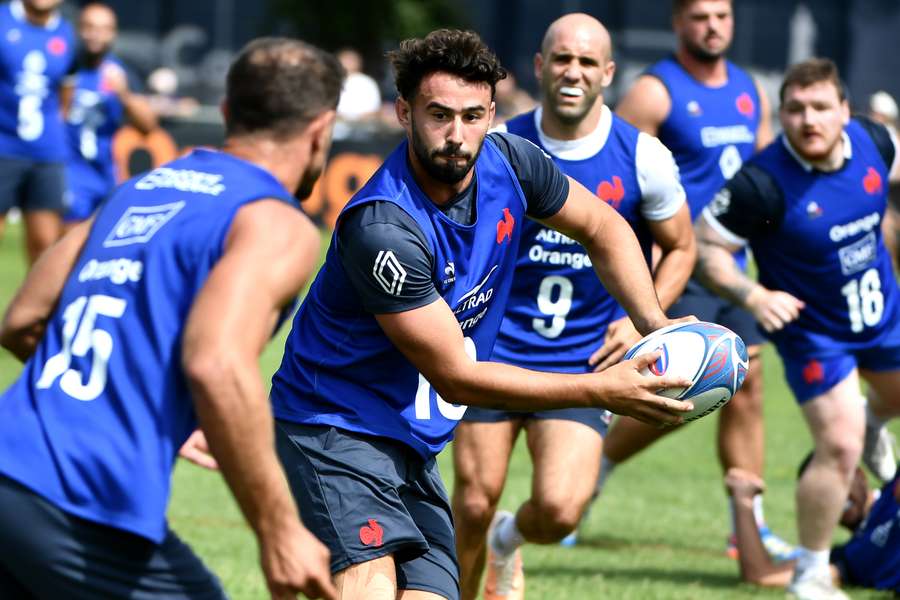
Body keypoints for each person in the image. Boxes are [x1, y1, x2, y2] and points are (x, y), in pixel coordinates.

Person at [268, 29, 695, 600]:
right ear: (403, 112)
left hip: (408, 441)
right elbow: (456, 375)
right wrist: (601, 390)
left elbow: (604, 226)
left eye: (472, 116)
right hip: (333, 428)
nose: (456, 135)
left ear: (493, 113)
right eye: (438, 115)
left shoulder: (512, 162)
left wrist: (653, 322)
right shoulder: (384, 228)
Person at [0, 37, 342, 599]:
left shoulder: (136, 191)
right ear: (321, 129)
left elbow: (23, 318)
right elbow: (215, 363)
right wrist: (280, 529)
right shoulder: (276, 223)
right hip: (81, 498)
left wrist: (145, 396)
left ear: (228, 113)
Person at [451, 14, 695, 600]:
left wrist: (640, 316)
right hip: (495, 352)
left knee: (561, 511)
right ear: (539, 66)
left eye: (587, 62)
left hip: (586, 359)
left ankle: (511, 541)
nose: (572, 72)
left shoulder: (642, 157)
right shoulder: (496, 143)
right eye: (561, 58)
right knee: (475, 499)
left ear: (608, 74)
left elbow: (681, 246)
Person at [694, 57, 900, 599]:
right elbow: (706, 248)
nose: (809, 120)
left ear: (845, 112)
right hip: (814, 332)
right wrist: (752, 293)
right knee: (838, 444)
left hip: (880, 312)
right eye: (795, 109)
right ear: (781, 114)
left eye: (821, 108)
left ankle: (875, 419)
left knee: (883, 410)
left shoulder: (877, 142)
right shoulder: (761, 184)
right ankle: (810, 574)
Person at [592, 0, 790, 559]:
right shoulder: (656, 91)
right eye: (700, 16)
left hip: (730, 265)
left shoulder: (751, 90)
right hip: (678, 262)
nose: (713, 26)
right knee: (677, 391)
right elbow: (615, 183)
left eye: (723, 16)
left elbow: (765, 180)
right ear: (678, 22)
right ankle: (594, 470)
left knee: (746, 385)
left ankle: (747, 524)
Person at [725, 461, 899, 595]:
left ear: (859, 474)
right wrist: (743, 500)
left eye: (836, 480)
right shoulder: (851, 558)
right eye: (819, 494)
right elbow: (762, 575)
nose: (832, 496)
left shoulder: (892, 486)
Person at [62, 2, 156, 226]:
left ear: (113, 33)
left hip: (104, 173)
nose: (95, 35)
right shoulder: (65, 67)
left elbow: (148, 125)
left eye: (104, 29)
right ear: (78, 29)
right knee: (68, 241)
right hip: (69, 171)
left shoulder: (120, 73)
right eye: (89, 27)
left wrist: (124, 95)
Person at [0, 0, 75, 264]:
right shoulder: (3, 20)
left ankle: (36, 307)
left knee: (45, 245)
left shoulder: (66, 32)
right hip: (3, 147)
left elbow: (66, 93)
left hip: (46, 153)